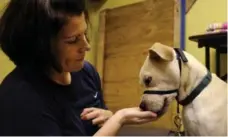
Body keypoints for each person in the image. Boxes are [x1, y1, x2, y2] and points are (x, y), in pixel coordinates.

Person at [0, 0, 157, 136]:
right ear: (40, 46)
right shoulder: (19, 100)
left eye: (84, 34)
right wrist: (119, 119)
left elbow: (101, 119)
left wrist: (108, 116)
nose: (87, 46)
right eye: (73, 40)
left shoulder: (86, 72)